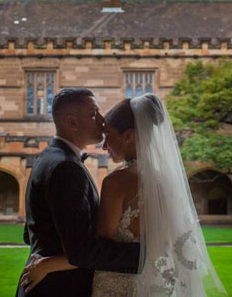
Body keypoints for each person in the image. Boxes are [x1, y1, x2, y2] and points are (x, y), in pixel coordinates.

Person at [22, 94, 226, 296]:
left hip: (115, 282)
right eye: (94, 114)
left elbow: (89, 248)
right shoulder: (164, 181)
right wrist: (156, 254)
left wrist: (48, 264)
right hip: (153, 282)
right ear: (71, 122)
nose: (102, 131)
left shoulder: (112, 181)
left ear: (128, 136)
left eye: (108, 135)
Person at [15, 88, 140, 297]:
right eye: (93, 114)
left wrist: (48, 259)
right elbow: (83, 251)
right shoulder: (66, 167)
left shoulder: (50, 157)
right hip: (59, 288)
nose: (102, 120)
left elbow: (31, 233)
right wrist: (146, 254)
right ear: (72, 122)